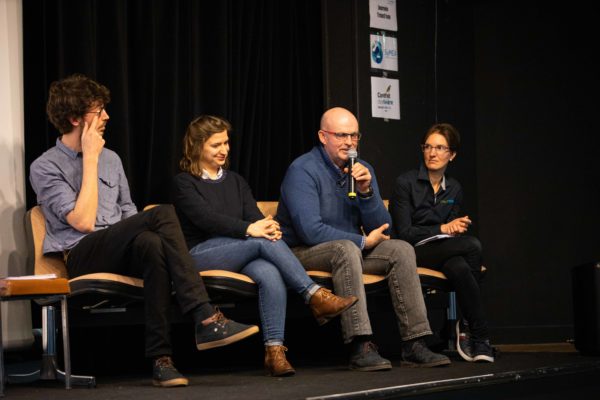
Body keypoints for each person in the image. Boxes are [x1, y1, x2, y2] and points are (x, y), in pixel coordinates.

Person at [29, 74, 260, 388]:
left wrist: (134, 229)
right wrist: (91, 159)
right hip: (82, 253)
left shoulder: (112, 159)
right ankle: (205, 316)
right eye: (99, 111)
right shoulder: (46, 166)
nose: (107, 117)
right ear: (74, 119)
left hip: (120, 247)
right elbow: (82, 221)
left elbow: (128, 213)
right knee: (162, 213)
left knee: (151, 243)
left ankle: (162, 361)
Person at [171, 115, 358, 377]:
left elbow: (255, 217)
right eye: (216, 145)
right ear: (197, 146)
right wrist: (252, 230)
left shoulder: (236, 181)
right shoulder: (184, 182)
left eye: (226, 143)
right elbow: (206, 219)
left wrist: (267, 227)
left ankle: (274, 351)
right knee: (260, 240)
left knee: (270, 273)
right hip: (201, 254)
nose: (224, 149)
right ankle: (313, 294)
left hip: (243, 249)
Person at [276, 107, 450, 371]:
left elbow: (383, 227)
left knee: (400, 249)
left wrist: (367, 192)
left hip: (347, 252)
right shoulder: (302, 170)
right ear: (323, 136)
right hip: (301, 252)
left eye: (354, 136)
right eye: (341, 135)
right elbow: (309, 232)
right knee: (347, 248)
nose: (349, 142)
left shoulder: (362, 169)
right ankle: (361, 345)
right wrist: (362, 243)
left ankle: (415, 344)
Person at [389, 123, 494, 362]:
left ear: (452, 155)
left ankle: (470, 331)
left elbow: (449, 235)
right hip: (410, 252)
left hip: (441, 250)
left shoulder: (454, 188)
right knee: (473, 245)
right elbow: (404, 233)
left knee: (459, 267)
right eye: (428, 147)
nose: (432, 153)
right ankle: (477, 332)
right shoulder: (405, 183)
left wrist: (454, 229)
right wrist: (443, 228)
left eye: (439, 148)